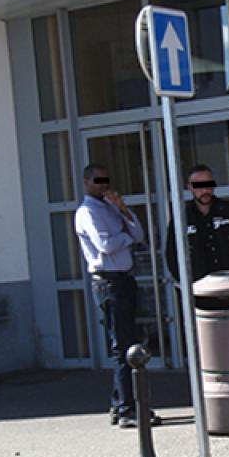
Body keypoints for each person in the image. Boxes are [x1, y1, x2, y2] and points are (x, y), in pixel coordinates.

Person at [74, 163, 147, 428]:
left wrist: (123, 209)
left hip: (125, 279)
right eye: (97, 181)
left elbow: (138, 233)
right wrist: (125, 238)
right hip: (108, 283)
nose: (103, 185)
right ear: (86, 182)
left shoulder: (110, 208)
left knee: (129, 342)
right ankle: (128, 408)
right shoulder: (87, 212)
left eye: (106, 180)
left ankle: (119, 404)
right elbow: (106, 245)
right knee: (123, 347)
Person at [165, 165, 229, 286]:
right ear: (190, 187)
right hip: (199, 287)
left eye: (208, 185)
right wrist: (185, 282)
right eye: (199, 186)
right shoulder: (182, 217)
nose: (205, 191)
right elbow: (172, 253)